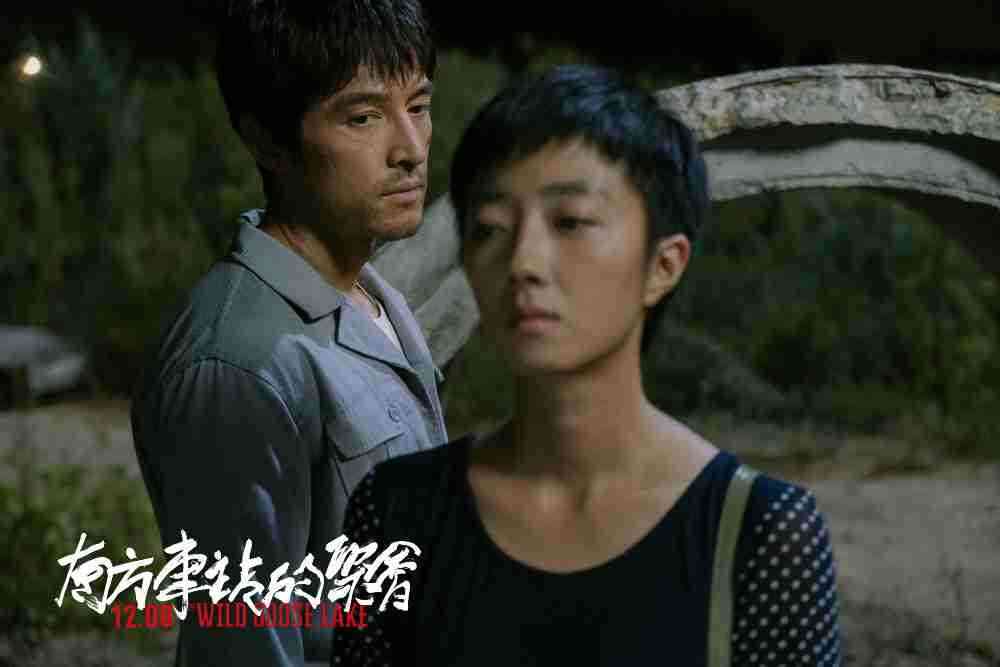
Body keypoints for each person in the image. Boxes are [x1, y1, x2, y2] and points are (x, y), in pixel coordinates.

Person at [331, 64, 842, 666]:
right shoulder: (393, 514)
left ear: (664, 265)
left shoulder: (760, 532)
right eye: (490, 229)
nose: (524, 262)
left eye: (570, 222)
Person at [130, 1, 448, 665]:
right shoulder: (238, 363)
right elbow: (241, 646)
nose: (411, 149)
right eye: (363, 117)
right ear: (266, 139)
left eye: (417, 106)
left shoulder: (374, 294)